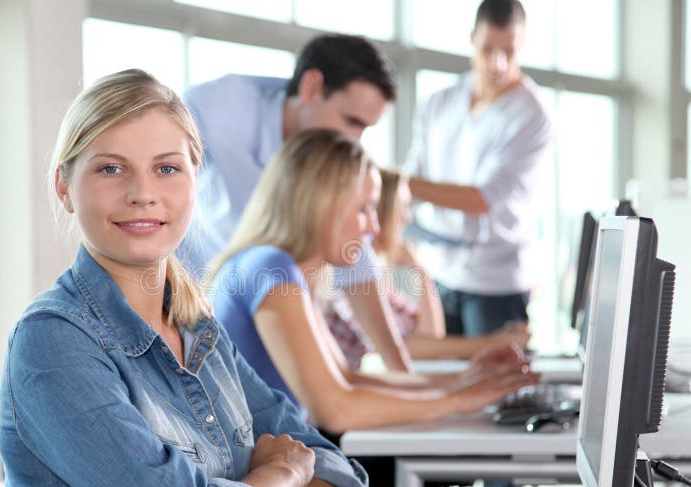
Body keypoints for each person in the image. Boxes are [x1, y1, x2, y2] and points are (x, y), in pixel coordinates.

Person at [0, 69, 368, 487]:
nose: (142, 194)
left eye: (167, 168)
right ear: (64, 187)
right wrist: (285, 475)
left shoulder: (199, 330)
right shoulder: (53, 343)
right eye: (111, 168)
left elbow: (335, 469)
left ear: (197, 179)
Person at [207, 129, 539, 437]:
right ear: (321, 205)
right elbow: (336, 410)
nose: (375, 228)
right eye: (365, 209)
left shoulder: (284, 270)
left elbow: (349, 379)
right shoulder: (271, 269)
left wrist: (463, 382)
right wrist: (460, 400)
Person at [180, 33, 415, 373]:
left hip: (272, 311)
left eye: (366, 128)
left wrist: (401, 371)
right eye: (351, 121)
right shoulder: (215, 112)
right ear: (311, 87)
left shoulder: (325, 163)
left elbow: (356, 257)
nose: (354, 141)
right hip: (195, 308)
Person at [404, 0, 553, 337]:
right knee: (437, 379)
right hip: (439, 273)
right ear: (472, 38)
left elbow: (482, 199)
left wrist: (402, 183)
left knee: (495, 385)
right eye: (488, 49)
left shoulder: (532, 114)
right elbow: (414, 175)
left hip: (496, 285)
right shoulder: (439, 103)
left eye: (509, 51)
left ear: (522, 46)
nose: (497, 63)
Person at [324, 168, 532, 367]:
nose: (407, 218)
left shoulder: (375, 273)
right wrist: (492, 342)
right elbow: (402, 347)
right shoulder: (348, 265)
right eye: (402, 208)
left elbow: (432, 336)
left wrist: (420, 272)